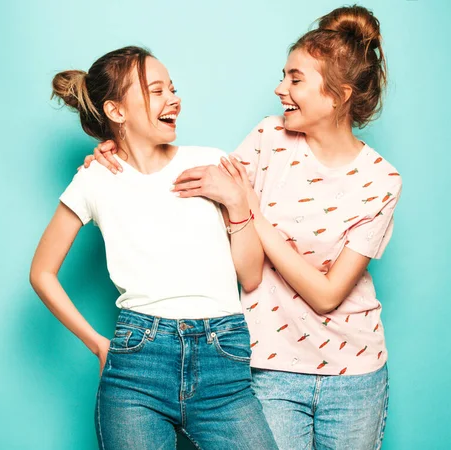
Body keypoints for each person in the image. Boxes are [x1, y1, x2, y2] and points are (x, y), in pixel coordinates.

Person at [84, 6, 401, 449]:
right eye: (283, 76)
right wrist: (118, 148)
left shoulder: (381, 180)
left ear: (338, 95)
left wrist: (250, 209)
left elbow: (328, 294)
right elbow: (188, 182)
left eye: (295, 79)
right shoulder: (268, 139)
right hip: (270, 364)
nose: (279, 89)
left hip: (356, 373)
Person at [29, 46, 278, 449]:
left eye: (172, 89)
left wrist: (235, 202)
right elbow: (41, 273)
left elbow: (250, 274)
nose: (173, 99)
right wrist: (98, 344)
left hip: (223, 360)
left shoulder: (211, 163)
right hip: (138, 364)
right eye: (156, 91)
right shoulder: (96, 178)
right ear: (116, 111)